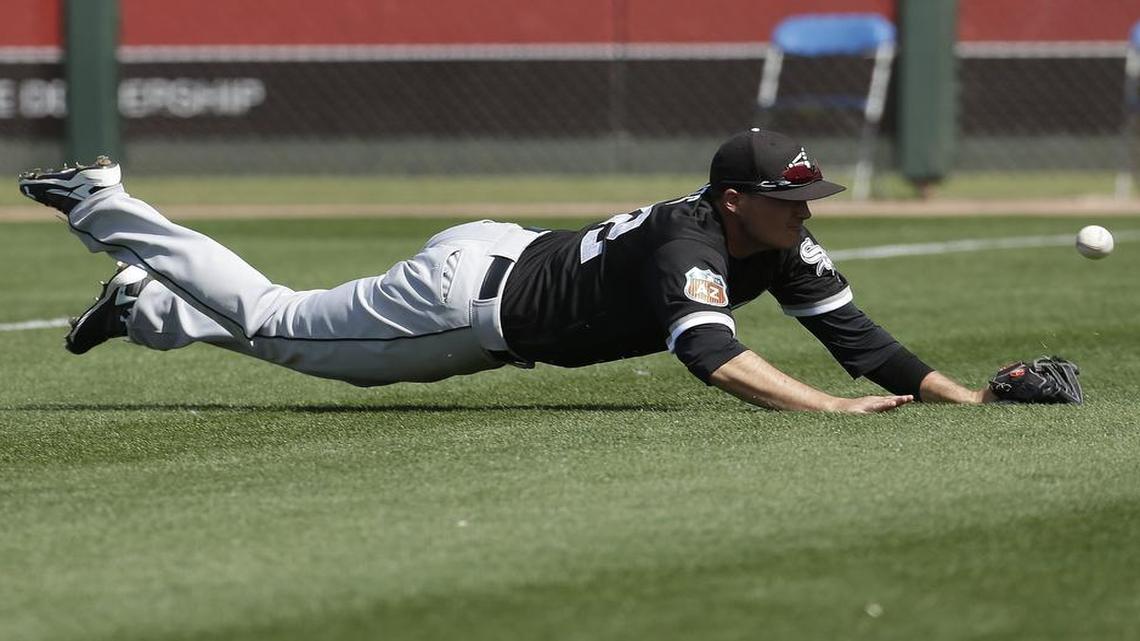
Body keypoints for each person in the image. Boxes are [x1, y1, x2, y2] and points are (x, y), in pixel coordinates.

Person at [18, 128, 998, 413]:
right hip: (469, 302)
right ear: (737, 200)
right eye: (791, 198)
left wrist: (962, 398)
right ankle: (106, 205)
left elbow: (854, 336)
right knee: (281, 322)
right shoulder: (693, 244)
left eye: (808, 197)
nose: (806, 210)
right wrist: (826, 412)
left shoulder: (774, 241)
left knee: (314, 341)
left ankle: (147, 308)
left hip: (502, 267)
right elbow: (713, 354)